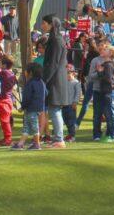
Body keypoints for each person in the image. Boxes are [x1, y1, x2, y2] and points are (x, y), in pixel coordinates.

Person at [41, 15, 69, 148]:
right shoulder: (57, 39)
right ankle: (58, 138)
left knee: (54, 109)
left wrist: (45, 79)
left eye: (45, 23)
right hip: (57, 77)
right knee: (54, 109)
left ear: (51, 24)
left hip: (55, 79)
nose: (43, 25)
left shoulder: (56, 40)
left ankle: (59, 139)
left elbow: (53, 62)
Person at [13, 63, 45, 151]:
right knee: (26, 126)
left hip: (31, 108)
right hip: (38, 108)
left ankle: (37, 144)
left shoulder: (30, 84)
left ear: (30, 72)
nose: (24, 71)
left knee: (34, 126)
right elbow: (46, 93)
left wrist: (22, 107)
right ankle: (21, 143)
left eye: (26, 70)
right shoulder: (41, 82)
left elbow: (27, 97)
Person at [92, 45, 114, 143]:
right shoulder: (111, 64)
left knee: (110, 115)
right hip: (108, 91)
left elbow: (108, 78)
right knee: (109, 114)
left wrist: (100, 72)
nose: (103, 50)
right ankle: (110, 134)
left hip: (108, 91)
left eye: (106, 49)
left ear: (111, 53)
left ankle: (112, 135)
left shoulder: (108, 65)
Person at [0, 56, 17, 146]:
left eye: (1, 63)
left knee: (4, 120)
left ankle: (8, 138)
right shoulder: (11, 74)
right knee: (5, 119)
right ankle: (6, 137)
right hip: (7, 99)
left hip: (4, 99)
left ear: (5, 65)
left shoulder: (4, 73)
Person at [63, 64, 80, 142]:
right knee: (65, 120)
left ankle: (72, 135)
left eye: (69, 73)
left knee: (71, 121)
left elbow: (77, 94)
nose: (68, 75)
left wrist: (75, 102)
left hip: (71, 105)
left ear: (73, 73)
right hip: (64, 105)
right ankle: (69, 134)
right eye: (66, 73)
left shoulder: (76, 83)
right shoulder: (64, 83)